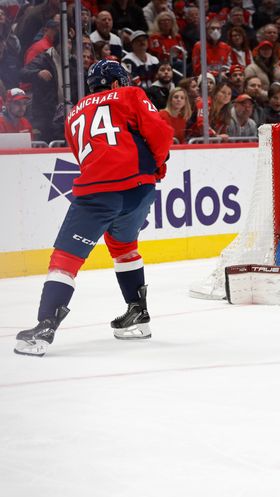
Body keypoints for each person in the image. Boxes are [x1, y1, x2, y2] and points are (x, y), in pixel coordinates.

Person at [14, 60, 173, 356]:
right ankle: (137, 313)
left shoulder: (73, 113)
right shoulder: (130, 95)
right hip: (140, 190)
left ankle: (46, 324)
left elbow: (84, 155)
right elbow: (161, 133)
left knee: (65, 258)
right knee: (124, 246)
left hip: (99, 192)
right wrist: (157, 167)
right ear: (116, 82)